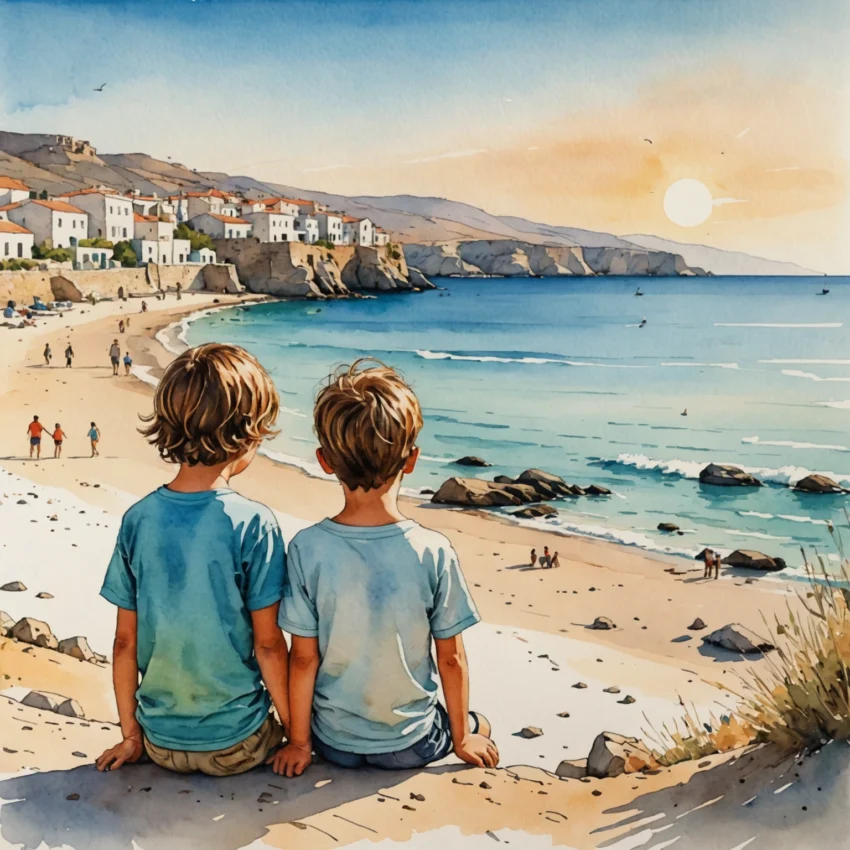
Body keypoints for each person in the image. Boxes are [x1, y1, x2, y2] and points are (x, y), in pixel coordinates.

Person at [276, 359, 498, 778]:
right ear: (411, 459)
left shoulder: (307, 548)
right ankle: (471, 730)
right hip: (410, 744)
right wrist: (463, 738)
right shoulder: (432, 550)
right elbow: (450, 658)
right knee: (477, 723)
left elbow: (303, 659)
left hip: (332, 741)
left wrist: (300, 743)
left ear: (325, 460)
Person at [95, 343, 289, 776]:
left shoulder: (138, 519)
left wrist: (132, 737)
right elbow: (269, 645)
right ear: (249, 433)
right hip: (239, 743)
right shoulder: (254, 523)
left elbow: (125, 643)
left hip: (160, 743)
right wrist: (298, 736)